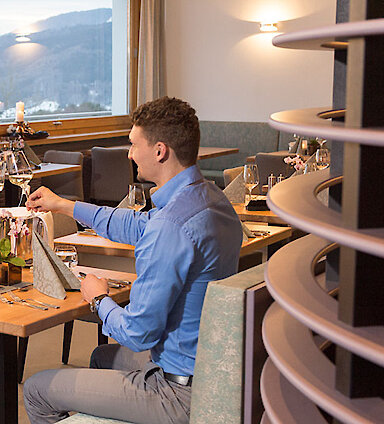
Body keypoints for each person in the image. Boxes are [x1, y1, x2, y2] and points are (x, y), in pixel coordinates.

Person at [23, 97, 242, 423]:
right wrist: (64, 206)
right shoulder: (211, 199)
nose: (128, 153)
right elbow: (135, 225)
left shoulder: (171, 226)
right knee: (102, 356)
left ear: (159, 151)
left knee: (36, 389)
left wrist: (98, 298)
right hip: (210, 368)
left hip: (180, 393)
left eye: (133, 144)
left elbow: (139, 333)